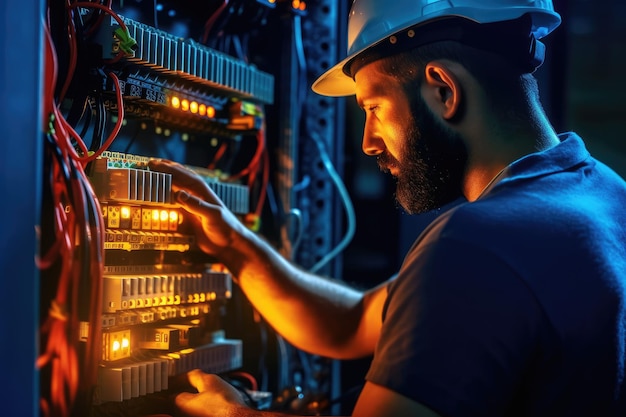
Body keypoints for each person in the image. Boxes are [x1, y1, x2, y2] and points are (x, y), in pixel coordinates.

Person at [149, 0, 626, 415]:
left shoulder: (478, 246)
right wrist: (235, 244)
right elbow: (351, 322)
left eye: (373, 108)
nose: (368, 142)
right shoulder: (601, 195)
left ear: (443, 89)